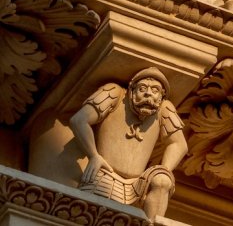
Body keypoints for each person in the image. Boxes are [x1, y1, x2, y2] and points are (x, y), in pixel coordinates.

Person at [69, 68, 186, 220]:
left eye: (155, 90)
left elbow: (179, 144)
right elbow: (79, 120)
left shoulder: (164, 108)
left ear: (161, 97)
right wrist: (93, 155)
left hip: (138, 186)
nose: (148, 93)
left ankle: (151, 223)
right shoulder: (115, 93)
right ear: (131, 90)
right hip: (105, 177)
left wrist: (164, 171)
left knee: (163, 179)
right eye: (142, 88)